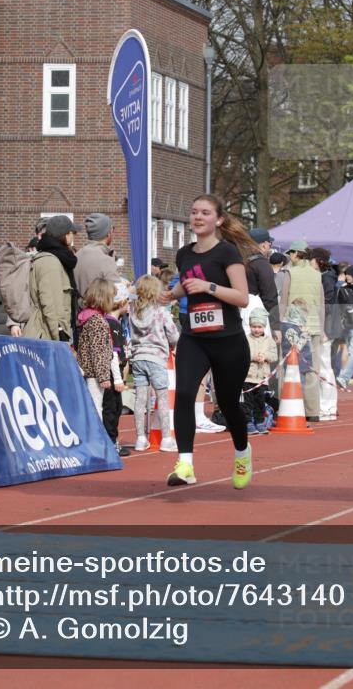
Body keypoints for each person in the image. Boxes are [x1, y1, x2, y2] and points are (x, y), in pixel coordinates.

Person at [161, 194, 251, 490]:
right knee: (185, 394)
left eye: (205, 213)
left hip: (228, 340)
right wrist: (170, 295)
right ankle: (185, 462)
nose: (198, 217)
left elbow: (241, 297)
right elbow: (188, 285)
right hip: (194, 338)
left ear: (219, 220)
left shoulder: (227, 253)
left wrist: (209, 287)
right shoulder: (184, 254)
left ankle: (242, 452)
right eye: (194, 212)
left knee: (227, 403)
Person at [129, 274, 180, 453]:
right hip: (157, 358)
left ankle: (140, 438)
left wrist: (134, 293)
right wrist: (172, 346)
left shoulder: (133, 310)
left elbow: (129, 296)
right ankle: (166, 438)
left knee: (140, 399)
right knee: (162, 398)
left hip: (138, 357)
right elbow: (173, 335)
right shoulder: (161, 312)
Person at [23, 214, 81, 342]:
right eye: (72, 233)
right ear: (66, 235)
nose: (74, 236)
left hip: (49, 334)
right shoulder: (50, 262)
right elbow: (50, 304)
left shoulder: (57, 259)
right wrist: (59, 336)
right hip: (46, 336)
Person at [284, 242, 325, 421]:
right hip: (313, 325)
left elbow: (284, 301)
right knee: (311, 369)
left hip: (293, 325)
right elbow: (322, 304)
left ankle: (287, 407)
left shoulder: (290, 273)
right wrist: (321, 328)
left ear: (295, 254)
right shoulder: (317, 275)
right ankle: (312, 411)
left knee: (289, 366)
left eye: (290, 253)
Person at [75, 278, 115, 417]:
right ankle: (96, 437)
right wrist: (103, 376)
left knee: (88, 405)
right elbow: (98, 351)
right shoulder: (98, 322)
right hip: (95, 373)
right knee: (96, 407)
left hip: (87, 369)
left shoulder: (86, 317)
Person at [309, 247, 338, 421]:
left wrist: (323, 329)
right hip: (323, 326)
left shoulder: (326, 278)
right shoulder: (327, 276)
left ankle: (328, 406)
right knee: (323, 366)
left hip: (325, 327)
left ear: (318, 260)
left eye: (311, 259)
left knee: (325, 366)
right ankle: (326, 404)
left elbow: (326, 304)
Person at [103, 281, 132, 457]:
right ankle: (110, 442)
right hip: (112, 375)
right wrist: (119, 378)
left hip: (114, 374)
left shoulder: (114, 323)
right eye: (128, 301)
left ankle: (111, 440)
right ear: (121, 303)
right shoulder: (111, 324)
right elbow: (113, 354)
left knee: (115, 406)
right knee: (111, 408)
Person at [243, 307, 278, 436]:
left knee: (260, 402)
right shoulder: (246, 339)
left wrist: (265, 356)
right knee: (247, 402)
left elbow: (274, 355)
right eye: (254, 326)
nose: (256, 329)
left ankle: (259, 421)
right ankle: (248, 422)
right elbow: (242, 353)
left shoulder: (269, 341)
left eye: (259, 327)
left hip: (262, 378)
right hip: (248, 377)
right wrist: (253, 357)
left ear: (264, 327)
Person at [74, 213, 121, 298]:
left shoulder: (77, 255)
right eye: (112, 230)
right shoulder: (105, 260)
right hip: (100, 310)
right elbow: (117, 296)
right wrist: (130, 290)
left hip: (79, 310)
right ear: (108, 233)